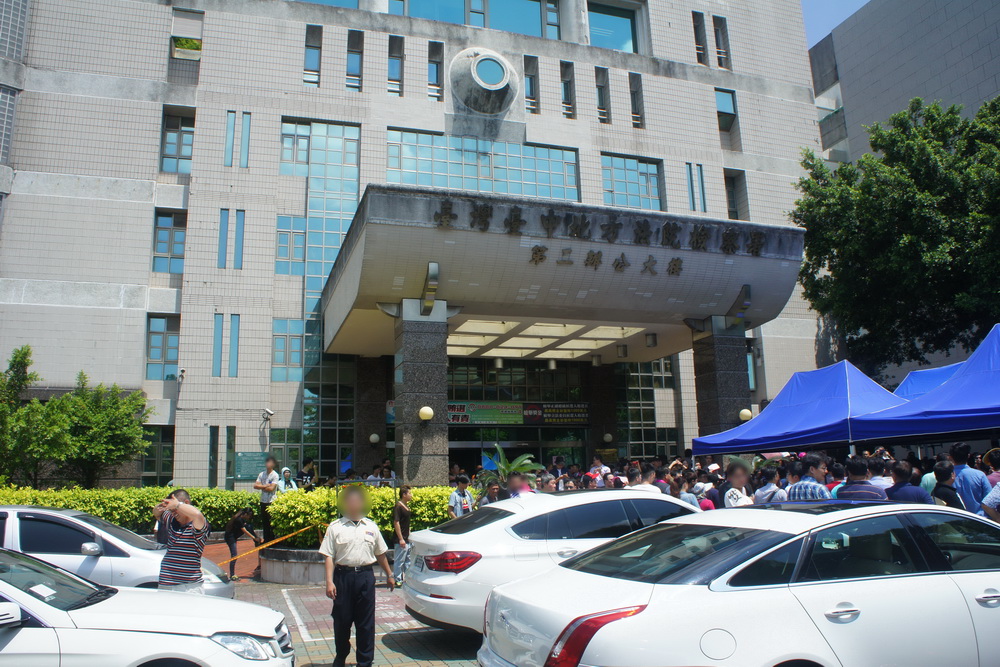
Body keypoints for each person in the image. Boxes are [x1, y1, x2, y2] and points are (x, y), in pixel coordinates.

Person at [319, 486, 394, 667]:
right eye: (350, 501)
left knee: (366, 623)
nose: (354, 504)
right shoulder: (335, 527)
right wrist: (329, 582)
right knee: (342, 620)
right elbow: (328, 556)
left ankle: (365, 661)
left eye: (357, 501)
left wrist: (390, 574)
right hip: (343, 578)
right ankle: (341, 655)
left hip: (365, 577)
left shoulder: (371, 526)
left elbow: (380, 553)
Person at [155, 491, 210, 593]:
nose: (173, 513)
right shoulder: (171, 520)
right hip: (166, 584)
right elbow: (156, 513)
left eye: (175, 509)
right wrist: (163, 505)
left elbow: (197, 515)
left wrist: (177, 505)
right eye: (171, 510)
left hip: (189, 587)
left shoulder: (197, 526)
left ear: (186, 503)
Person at [951, 442, 992, 515]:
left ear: (951, 457)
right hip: (979, 518)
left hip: (955, 518)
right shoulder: (979, 475)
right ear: (968, 456)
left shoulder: (947, 476)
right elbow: (989, 500)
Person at [223, 508, 261, 581]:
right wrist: (254, 538)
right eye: (249, 515)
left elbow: (248, 529)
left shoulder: (242, 520)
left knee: (249, 526)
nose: (249, 517)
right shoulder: (238, 520)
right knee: (234, 555)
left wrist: (255, 537)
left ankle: (256, 541)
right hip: (230, 538)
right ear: (245, 514)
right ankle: (232, 575)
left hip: (234, 536)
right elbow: (244, 531)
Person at [253, 456, 279, 542]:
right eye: (267, 462)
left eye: (270, 462)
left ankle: (273, 539)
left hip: (271, 501)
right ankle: (266, 539)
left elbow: (271, 488)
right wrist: (265, 485)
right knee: (265, 522)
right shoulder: (262, 474)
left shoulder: (275, 475)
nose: (268, 464)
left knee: (271, 522)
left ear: (273, 464)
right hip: (263, 500)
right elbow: (255, 485)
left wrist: (261, 486)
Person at [392, 486, 412, 583]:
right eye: (409, 493)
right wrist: (401, 538)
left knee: (408, 560)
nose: (411, 495)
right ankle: (398, 579)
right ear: (404, 494)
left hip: (407, 538)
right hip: (401, 538)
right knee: (399, 560)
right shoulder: (398, 506)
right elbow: (396, 522)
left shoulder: (407, 507)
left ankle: (408, 578)